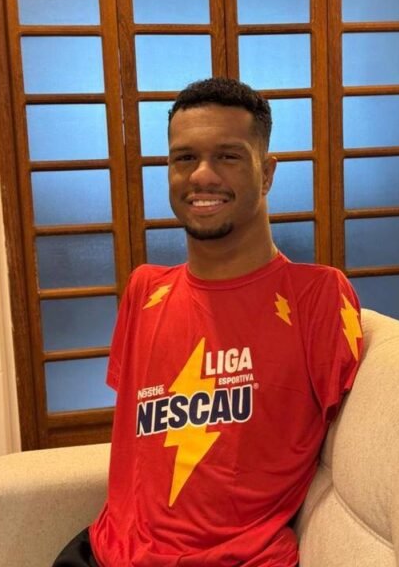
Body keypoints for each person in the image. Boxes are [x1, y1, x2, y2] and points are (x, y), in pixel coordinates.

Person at [53, 77, 364, 567]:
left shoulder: (318, 295)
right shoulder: (144, 290)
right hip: (103, 552)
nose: (201, 175)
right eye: (184, 158)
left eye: (228, 156)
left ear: (267, 173)